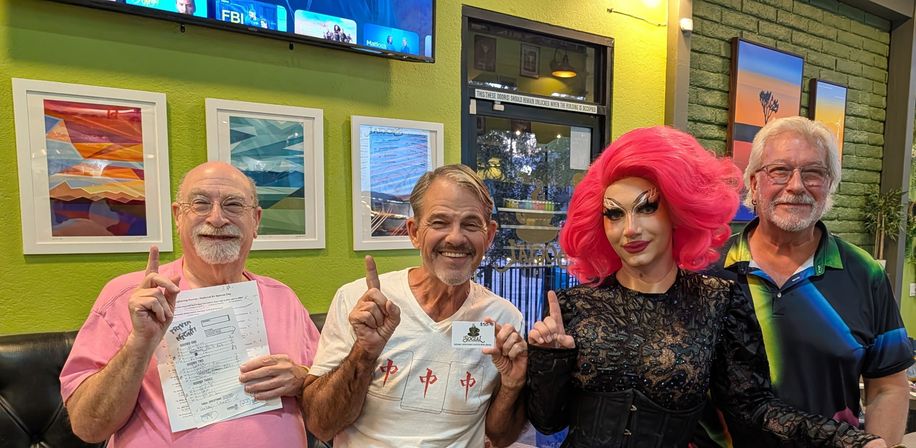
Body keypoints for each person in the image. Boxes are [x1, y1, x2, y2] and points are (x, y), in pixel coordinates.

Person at [525, 126, 887, 447]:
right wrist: (549, 360)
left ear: (678, 209)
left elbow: (753, 408)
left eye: (647, 207)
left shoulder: (717, 300)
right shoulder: (573, 306)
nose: (629, 229)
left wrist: (852, 440)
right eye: (614, 213)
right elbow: (547, 421)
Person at [60, 162, 321, 446]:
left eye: (233, 205)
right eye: (200, 203)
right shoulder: (131, 297)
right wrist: (139, 343)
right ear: (178, 216)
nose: (217, 218)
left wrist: (300, 378)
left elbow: (326, 393)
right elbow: (88, 426)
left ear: (256, 221)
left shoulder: (283, 299)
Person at [694, 116, 913, 447]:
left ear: (830, 186)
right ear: (753, 183)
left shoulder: (864, 273)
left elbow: (888, 385)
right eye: (779, 171)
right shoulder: (705, 267)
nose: (796, 185)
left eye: (813, 173)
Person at [301, 164, 528, 447]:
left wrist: (512, 384)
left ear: (489, 236)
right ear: (414, 232)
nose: (455, 237)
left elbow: (499, 436)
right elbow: (320, 425)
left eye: (470, 224)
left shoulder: (503, 319)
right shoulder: (359, 301)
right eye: (439, 222)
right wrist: (364, 352)